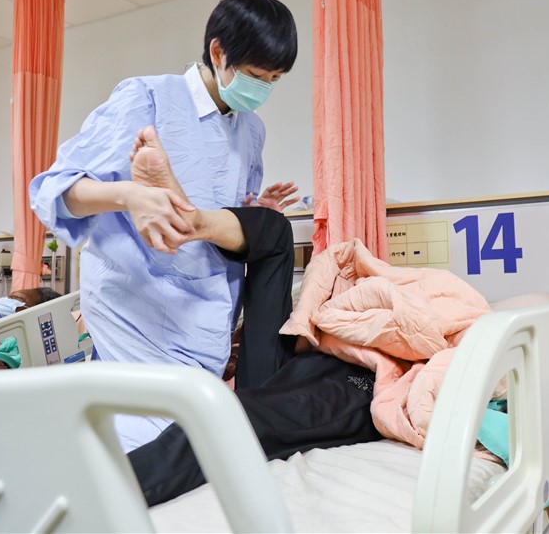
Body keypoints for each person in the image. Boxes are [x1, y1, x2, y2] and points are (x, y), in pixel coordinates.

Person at [30, 0, 301, 451]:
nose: (264, 89)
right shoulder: (148, 97)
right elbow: (55, 190)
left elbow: (224, 204)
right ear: (219, 52)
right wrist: (130, 195)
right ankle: (164, 199)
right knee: (155, 436)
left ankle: (178, 210)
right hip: (138, 300)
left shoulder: (252, 129)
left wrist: (256, 213)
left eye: (275, 80)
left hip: (207, 305)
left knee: (195, 434)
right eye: (257, 76)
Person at [124, 127, 381, 506]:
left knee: (227, 416)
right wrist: (254, 220)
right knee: (275, 228)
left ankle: (91, 493)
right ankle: (192, 220)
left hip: (363, 379)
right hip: (300, 360)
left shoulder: (419, 299)